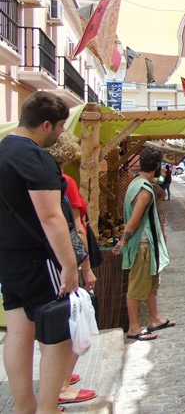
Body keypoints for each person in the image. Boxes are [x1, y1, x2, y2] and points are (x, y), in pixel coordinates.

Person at [0, 92, 79, 414]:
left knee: (18, 331)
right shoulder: (34, 158)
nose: (61, 132)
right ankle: (47, 409)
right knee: (60, 334)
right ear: (46, 124)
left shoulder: (3, 150)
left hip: (9, 258)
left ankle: (25, 407)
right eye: (60, 126)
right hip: (39, 258)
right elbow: (51, 217)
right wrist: (70, 266)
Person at [45, 133, 98, 406]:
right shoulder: (64, 182)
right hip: (65, 261)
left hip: (42, 260)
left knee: (49, 325)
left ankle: (58, 379)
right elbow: (78, 228)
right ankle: (63, 384)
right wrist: (85, 267)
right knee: (71, 320)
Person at [112, 146, 175, 341]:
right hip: (143, 244)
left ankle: (155, 318)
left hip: (149, 244)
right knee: (137, 286)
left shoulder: (139, 183)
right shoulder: (144, 190)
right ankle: (134, 327)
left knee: (151, 282)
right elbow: (134, 221)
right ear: (157, 165)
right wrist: (124, 240)